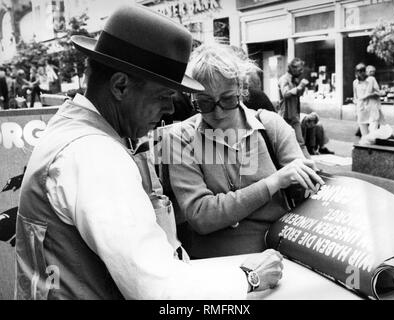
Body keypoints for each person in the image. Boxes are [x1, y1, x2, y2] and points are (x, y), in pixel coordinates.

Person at [15, 5, 284, 300]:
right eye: (164, 96)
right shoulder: (96, 154)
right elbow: (159, 289)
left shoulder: (72, 130)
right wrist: (249, 277)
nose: (170, 109)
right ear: (120, 85)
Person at [167, 43, 324, 259]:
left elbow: (308, 193)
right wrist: (273, 183)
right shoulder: (181, 137)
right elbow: (201, 216)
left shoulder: (271, 126)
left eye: (228, 99)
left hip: (279, 257)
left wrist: (308, 179)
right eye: (204, 103)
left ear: (241, 89)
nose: (218, 112)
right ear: (192, 97)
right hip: (214, 266)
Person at [278, 58, 310, 158]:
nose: (302, 72)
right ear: (293, 68)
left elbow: (297, 95)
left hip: (294, 115)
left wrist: (302, 88)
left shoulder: (294, 80)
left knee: (300, 143)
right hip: (285, 116)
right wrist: (300, 87)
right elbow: (285, 94)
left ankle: (311, 166)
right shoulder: (284, 79)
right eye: (300, 70)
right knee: (285, 144)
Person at [353, 63, 384, 137]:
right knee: (364, 134)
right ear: (356, 72)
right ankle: (366, 146)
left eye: (363, 71)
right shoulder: (355, 82)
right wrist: (356, 107)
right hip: (361, 109)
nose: (362, 73)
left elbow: (379, 93)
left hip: (372, 108)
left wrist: (369, 95)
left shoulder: (371, 80)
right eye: (359, 71)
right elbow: (355, 97)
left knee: (373, 132)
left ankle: (372, 145)